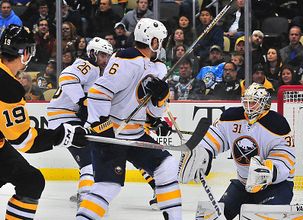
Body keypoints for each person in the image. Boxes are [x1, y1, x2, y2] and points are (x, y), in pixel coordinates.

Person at [76, 18, 182, 220]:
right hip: (111, 134)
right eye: (161, 40)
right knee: (108, 186)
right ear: (153, 42)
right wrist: (102, 126)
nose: (162, 45)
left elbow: (151, 112)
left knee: (166, 166)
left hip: (135, 134)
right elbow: (98, 92)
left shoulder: (157, 68)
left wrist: (159, 99)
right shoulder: (126, 59)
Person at [0, 24, 87, 219]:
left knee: (30, 180)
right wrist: (64, 135)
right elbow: (24, 139)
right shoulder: (7, 86)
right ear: (24, 53)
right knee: (30, 181)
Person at [179, 82, 295, 220]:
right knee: (207, 218)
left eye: (253, 103)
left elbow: (286, 159)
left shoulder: (277, 125)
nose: (248, 107)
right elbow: (215, 138)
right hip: (243, 184)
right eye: (246, 102)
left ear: (264, 104)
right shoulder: (231, 117)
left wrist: (269, 171)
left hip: (276, 187)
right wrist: (203, 153)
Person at [46, 37, 114, 205]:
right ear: (92, 53)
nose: (105, 60)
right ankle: (86, 196)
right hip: (63, 118)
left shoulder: (96, 70)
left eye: (107, 56)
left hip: (69, 118)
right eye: (102, 55)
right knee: (89, 156)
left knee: (91, 153)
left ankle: (84, 191)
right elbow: (67, 77)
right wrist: (81, 102)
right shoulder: (87, 65)